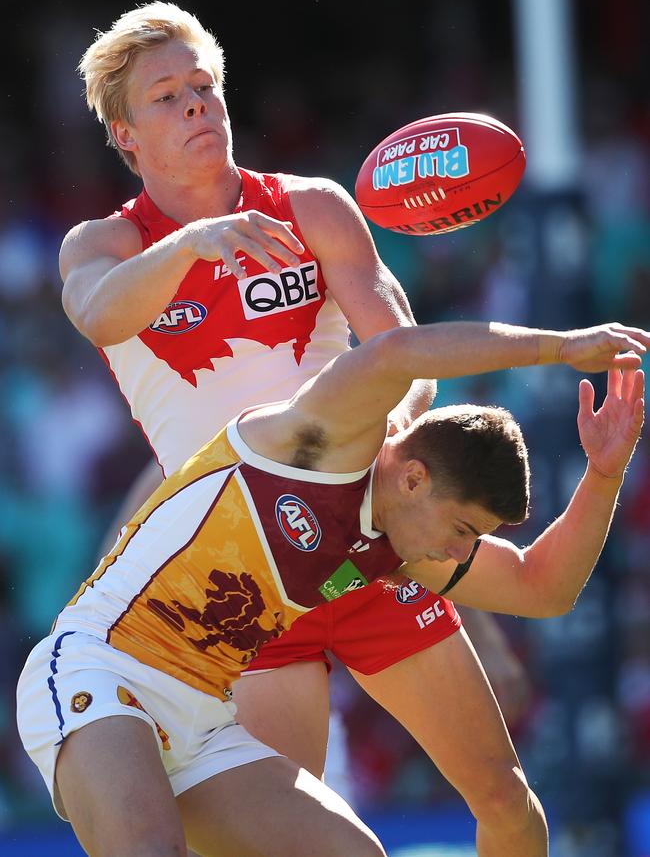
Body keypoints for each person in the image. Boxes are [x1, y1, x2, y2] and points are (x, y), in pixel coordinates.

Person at [55, 1, 606, 853]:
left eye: (204, 86)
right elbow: (96, 313)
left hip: (365, 548)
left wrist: (373, 443)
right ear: (125, 135)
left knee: (506, 802)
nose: (197, 104)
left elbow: (407, 358)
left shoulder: (311, 206)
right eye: (166, 96)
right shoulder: (108, 245)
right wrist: (198, 243)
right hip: (240, 579)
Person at [17, 319, 646, 857]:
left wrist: (605, 473)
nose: (460, 553)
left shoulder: (399, 548)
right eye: (462, 529)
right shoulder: (316, 443)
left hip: (202, 722)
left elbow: (541, 588)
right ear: (413, 478)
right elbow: (393, 353)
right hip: (99, 670)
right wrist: (559, 348)